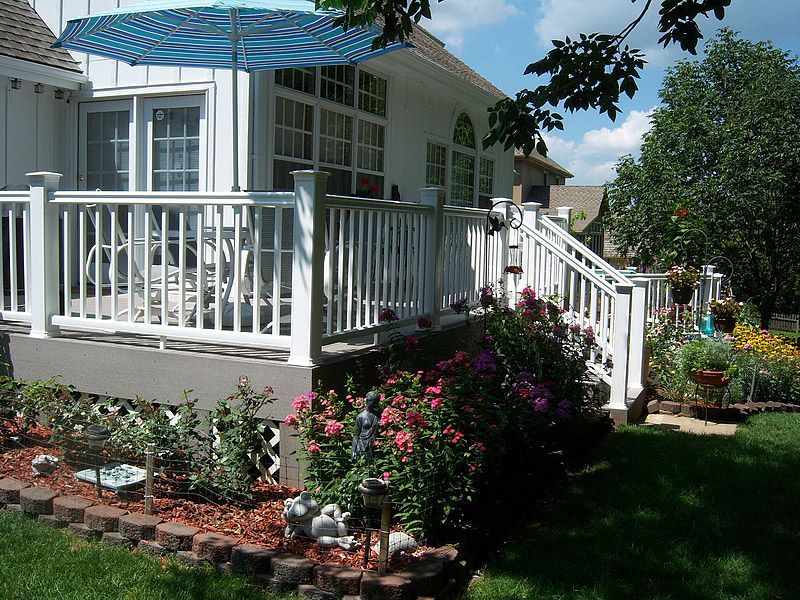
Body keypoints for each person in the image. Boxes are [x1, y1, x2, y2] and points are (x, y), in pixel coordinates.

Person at [351, 391, 380, 462]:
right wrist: (353, 451)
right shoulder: (360, 416)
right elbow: (356, 435)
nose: (375, 404)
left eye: (376, 402)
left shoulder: (378, 416)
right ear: (368, 400)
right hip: (362, 447)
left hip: (374, 447)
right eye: (374, 401)